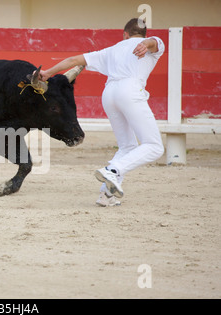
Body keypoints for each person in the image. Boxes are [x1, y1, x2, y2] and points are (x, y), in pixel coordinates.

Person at [38, 18, 165, 207]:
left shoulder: (111, 50)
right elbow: (155, 43)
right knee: (154, 146)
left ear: (125, 34)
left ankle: (106, 196)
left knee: (127, 147)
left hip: (109, 94)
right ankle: (112, 171)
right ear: (143, 34)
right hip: (130, 90)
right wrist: (145, 44)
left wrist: (48, 72)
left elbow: (73, 60)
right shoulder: (150, 44)